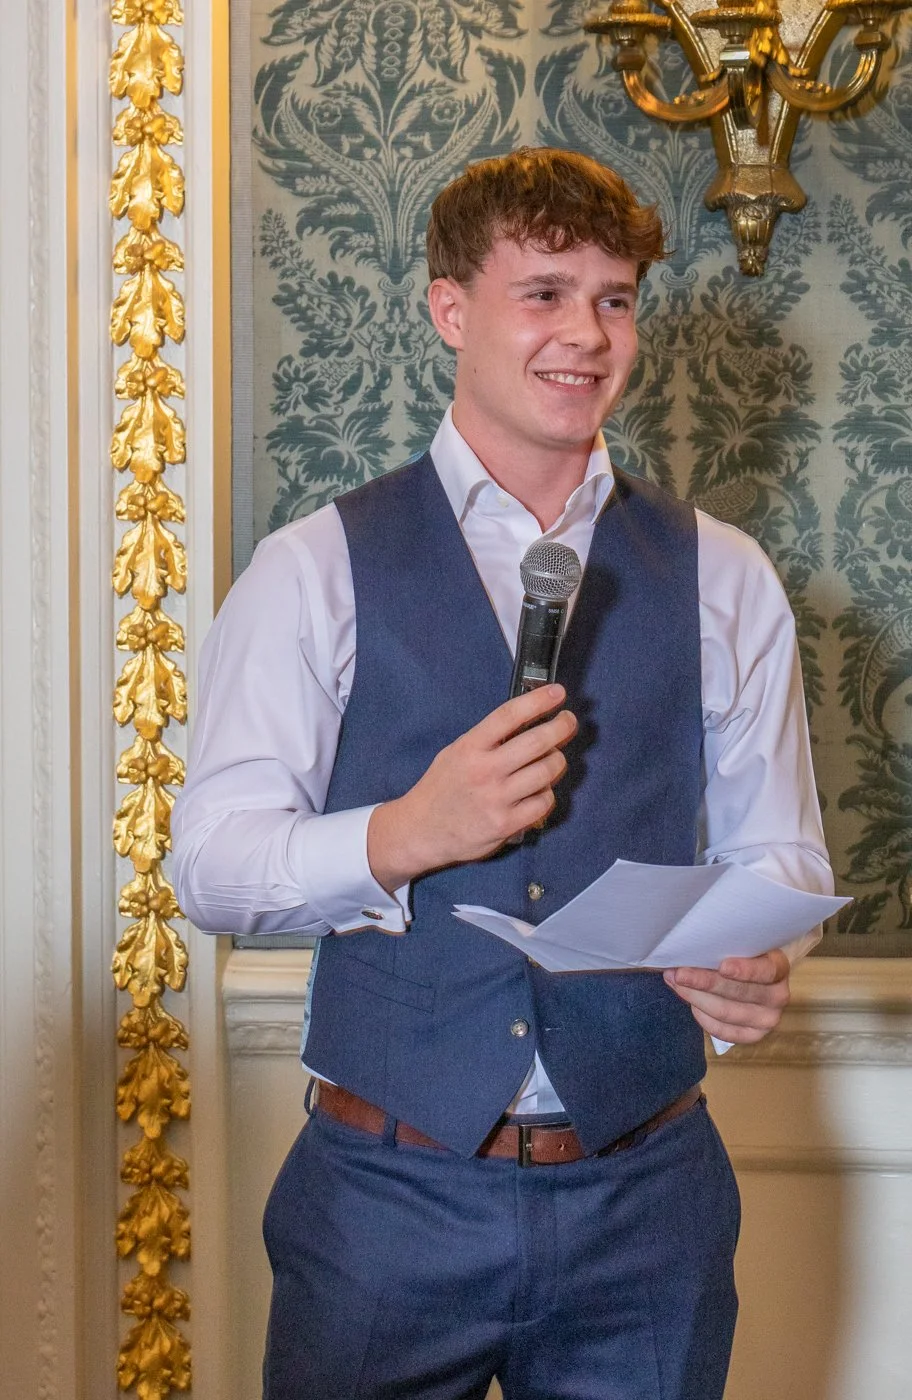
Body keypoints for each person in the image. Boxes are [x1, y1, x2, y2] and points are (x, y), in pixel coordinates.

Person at [172, 147, 834, 1400]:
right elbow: (206, 863)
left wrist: (760, 959)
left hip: (649, 1200)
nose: (586, 333)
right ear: (449, 306)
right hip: (382, 1199)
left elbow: (781, 852)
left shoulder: (728, 574)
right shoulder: (313, 567)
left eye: (615, 297)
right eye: (544, 292)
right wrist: (402, 831)